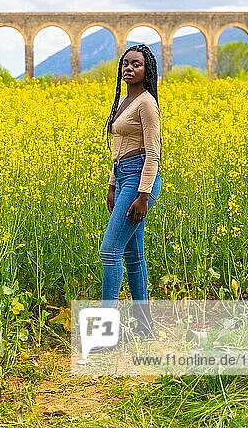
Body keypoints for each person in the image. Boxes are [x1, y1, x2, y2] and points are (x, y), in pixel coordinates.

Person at [101, 43, 162, 336]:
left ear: (147, 69)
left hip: (140, 179)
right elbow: (119, 147)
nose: (129, 68)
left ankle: (104, 336)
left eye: (136, 64)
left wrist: (144, 195)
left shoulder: (147, 103)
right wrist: (112, 184)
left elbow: (152, 152)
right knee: (133, 257)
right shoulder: (125, 102)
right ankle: (145, 328)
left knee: (110, 251)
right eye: (126, 63)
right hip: (124, 176)